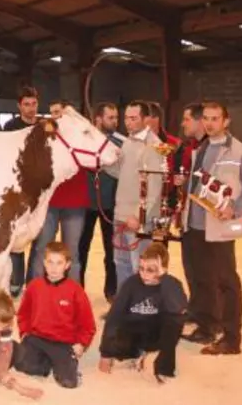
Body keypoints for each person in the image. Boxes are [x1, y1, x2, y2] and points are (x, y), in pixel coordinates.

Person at [181, 101, 242, 355]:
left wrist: (234, 208)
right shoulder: (200, 148)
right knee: (202, 280)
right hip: (194, 225)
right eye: (207, 118)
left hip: (219, 227)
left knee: (226, 282)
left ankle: (232, 338)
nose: (210, 123)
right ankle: (207, 327)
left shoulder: (239, 151)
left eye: (215, 119)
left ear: (226, 121)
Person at [98, 243, 187, 382]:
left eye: (151, 270)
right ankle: (140, 354)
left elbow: (178, 309)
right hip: (133, 332)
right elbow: (114, 317)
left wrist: (164, 278)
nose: (144, 274)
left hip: (157, 333)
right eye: (141, 268)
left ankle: (163, 368)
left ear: (163, 269)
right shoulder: (131, 283)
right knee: (117, 342)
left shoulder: (172, 284)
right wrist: (105, 354)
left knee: (175, 319)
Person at [25, 100, 89, 286]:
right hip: (49, 202)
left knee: (72, 251)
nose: (55, 116)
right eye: (52, 113)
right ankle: (36, 291)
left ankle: (73, 293)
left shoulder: (82, 135)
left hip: (75, 202)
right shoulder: (45, 136)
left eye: (60, 112)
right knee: (41, 249)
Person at [15, 242, 95, 389]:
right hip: (37, 338)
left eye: (59, 263)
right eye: (50, 262)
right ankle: (43, 361)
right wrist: (24, 332)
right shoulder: (34, 286)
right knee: (24, 366)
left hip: (63, 342)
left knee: (68, 383)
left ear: (67, 265)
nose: (53, 268)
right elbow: (23, 313)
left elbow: (88, 324)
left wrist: (82, 343)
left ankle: (63, 363)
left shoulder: (75, 290)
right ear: (44, 263)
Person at [103, 101, 164, 289]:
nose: (128, 122)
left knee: (141, 266)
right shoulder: (128, 141)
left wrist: (139, 216)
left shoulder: (154, 146)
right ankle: (124, 307)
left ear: (146, 120)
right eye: (126, 118)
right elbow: (120, 172)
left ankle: (140, 309)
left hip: (138, 220)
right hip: (120, 214)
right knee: (121, 263)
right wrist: (103, 162)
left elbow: (154, 187)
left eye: (133, 118)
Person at [79, 102, 124, 302]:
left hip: (111, 205)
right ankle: (77, 288)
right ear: (98, 119)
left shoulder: (121, 142)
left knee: (112, 249)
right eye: (110, 117)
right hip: (85, 203)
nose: (115, 121)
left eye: (116, 117)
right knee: (81, 249)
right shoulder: (84, 140)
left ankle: (112, 290)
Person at [3, 86, 39, 297]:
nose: (30, 108)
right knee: (15, 234)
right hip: (16, 189)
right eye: (26, 104)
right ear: (19, 106)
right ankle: (16, 281)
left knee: (36, 237)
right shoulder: (10, 127)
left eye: (34, 104)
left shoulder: (43, 127)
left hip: (38, 191)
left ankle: (31, 282)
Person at [174, 102, 206, 323]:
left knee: (207, 272)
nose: (183, 123)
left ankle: (210, 318)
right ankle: (196, 309)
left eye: (186, 119)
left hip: (205, 220)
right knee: (192, 268)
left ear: (198, 120)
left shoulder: (210, 148)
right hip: (189, 217)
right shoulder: (190, 146)